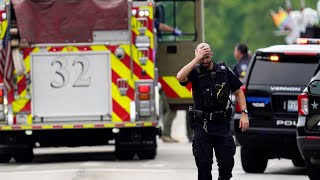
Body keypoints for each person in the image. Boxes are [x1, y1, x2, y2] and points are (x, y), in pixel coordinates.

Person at [176, 43, 249, 180]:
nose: (205, 61)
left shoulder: (223, 70)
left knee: (227, 164)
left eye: (207, 57)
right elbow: (180, 77)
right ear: (196, 55)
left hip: (221, 124)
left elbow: (239, 92)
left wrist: (244, 114)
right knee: (203, 166)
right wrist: (196, 59)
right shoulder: (194, 71)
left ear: (212, 54)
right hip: (202, 125)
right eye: (202, 58)